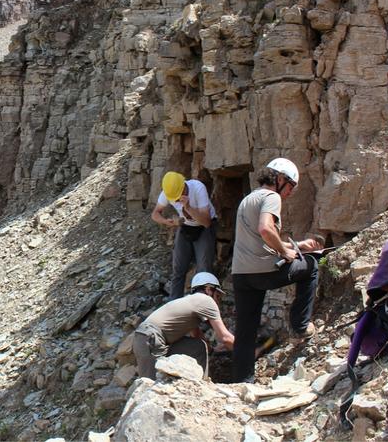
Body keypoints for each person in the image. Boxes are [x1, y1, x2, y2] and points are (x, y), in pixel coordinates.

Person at [231, 158, 322, 383]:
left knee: (245, 331)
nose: (290, 192)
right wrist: (284, 252)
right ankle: (300, 327)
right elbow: (265, 229)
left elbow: (260, 239)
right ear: (279, 179)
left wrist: (298, 246)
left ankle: (243, 382)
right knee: (311, 266)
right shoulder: (272, 196)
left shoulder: (248, 199)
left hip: (242, 275)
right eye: (291, 186)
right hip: (264, 272)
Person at [133, 272, 235, 379]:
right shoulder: (207, 300)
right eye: (217, 295)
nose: (218, 300)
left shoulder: (189, 302)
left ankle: (201, 385)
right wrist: (248, 352)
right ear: (208, 289)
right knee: (151, 385)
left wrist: (213, 351)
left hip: (150, 337)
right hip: (150, 338)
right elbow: (225, 337)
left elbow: (196, 336)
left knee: (198, 347)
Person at [151, 171, 218, 300]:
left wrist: (188, 208)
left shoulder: (198, 188)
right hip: (186, 227)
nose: (175, 200)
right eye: (173, 198)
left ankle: (202, 305)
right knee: (178, 268)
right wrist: (167, 222)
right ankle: (174, 305)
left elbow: (207, 222)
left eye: (177, 197)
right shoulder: (168, 192)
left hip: (203, 227)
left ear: (183, 187)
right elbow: (155, 214)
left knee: (204, 269)